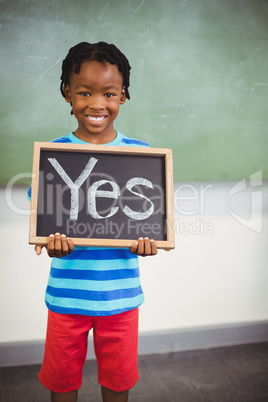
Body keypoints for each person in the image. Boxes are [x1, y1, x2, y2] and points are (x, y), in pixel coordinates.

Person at [31, 42, 159, 402]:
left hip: (120, 297)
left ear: (124, 95)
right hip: (66, 296)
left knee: (118, 380)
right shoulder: (52, 157)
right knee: (62, 380)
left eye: (109, 93)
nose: (97, 104)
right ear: (66, 93)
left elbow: (149, 223)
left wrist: (148, 243)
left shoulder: (141, 157)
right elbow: (42, 225)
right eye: (84, 92)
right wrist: (51, 244)